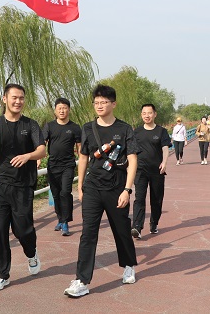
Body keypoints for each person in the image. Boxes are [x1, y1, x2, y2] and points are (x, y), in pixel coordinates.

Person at [64, 84, 139, 298]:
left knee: (121, 230)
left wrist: (127, 190)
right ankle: (81, 280)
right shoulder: (88, 128)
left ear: (113, 104)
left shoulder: (125, 129)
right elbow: (83, 158)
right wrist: (80, 186)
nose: (99, 105)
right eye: (96, 102)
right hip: (92, 188)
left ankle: (128, 265)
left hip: (117, 188)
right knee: (88, 233)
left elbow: (133, 160)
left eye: (104, 102)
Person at [0, 84, 47, 291]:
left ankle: (31, 252)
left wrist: (28, 156)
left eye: (21, 98)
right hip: (0, 185)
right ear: (4, 99)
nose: (18, 101)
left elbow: (42, 150)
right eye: (14, 97)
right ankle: (2, 275)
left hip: (23, 185)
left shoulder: (30, 124)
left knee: (22, 229)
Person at [131, 104, 172, 238]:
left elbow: (165, 148)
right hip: (140, 170)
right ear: (141, 115)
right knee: (139, 198)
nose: (146, 116)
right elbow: (132, 152)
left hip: (157, 170)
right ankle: (137, 227)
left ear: (155, 114)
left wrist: (164, 162)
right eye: (144, 113)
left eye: (149, 113)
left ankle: (154, 223)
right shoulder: (136, 132)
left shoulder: (161, 131)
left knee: (156, 199)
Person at [43, 97, 81, 236]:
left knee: (65, 192)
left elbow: (80, 147)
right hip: (53, 166)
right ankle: (60, 218)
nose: (62, 111)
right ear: (55, 110)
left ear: (69, 110)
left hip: (68, 165)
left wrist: (83, 162)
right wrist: (37, 159)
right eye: (59, 108)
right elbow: (42, 144)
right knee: (56, 194)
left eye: (64, 108)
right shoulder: (49, 126)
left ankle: (65, 222)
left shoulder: (75, 127)